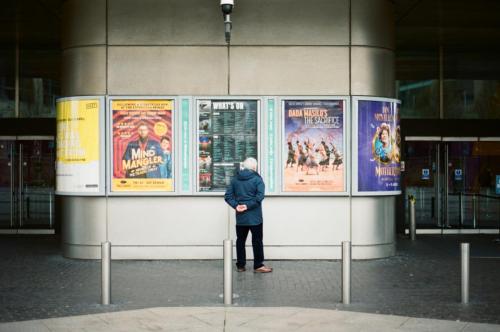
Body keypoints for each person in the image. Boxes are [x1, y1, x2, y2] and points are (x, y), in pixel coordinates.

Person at [224, 157, 272, 273]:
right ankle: (258, 266)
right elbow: (259, 197)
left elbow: (228, 196)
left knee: (240, 240)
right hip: (255, 217)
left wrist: (236, 206)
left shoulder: (235, 179)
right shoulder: (257, 179)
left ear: (244, 167)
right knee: (257, 241)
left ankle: (241, 265)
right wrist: (248, 206)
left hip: (241, 217)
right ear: (254, 167)